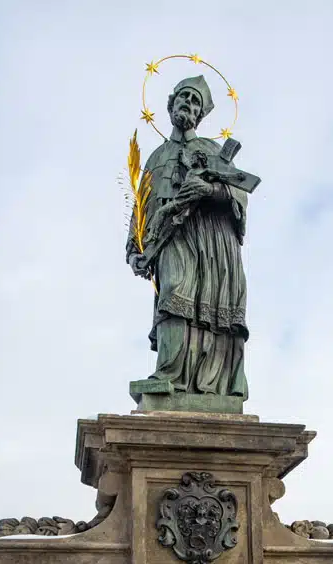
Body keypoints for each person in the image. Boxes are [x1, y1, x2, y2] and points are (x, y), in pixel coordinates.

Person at [127, 75, 254, 401]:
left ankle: (217, 384)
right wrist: (134, 249)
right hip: (172, 236)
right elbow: (142, 205)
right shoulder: (156, 157)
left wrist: (209, 189)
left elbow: (239, 193)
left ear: (202, 114)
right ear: (171, 104)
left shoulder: (213, 150)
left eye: (196, 102)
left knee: (212, 305)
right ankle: (168, 374)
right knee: (174, 292)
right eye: (184, 97)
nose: (189, 104)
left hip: (212, 240)